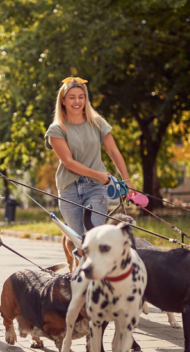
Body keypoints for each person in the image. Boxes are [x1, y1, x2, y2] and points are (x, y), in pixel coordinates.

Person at [45, 77, 132, 236]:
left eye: (81, 97)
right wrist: (98, 174)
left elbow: (113, 151)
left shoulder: (97, 123)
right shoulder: (56, 129)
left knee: (91, 238)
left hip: (95, 188)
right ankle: (74, 250)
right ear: (63, 101)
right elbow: (68, 162)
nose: (77, 101)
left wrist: (127, 182)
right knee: (79, 241)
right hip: (69, 189)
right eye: (72, 97)